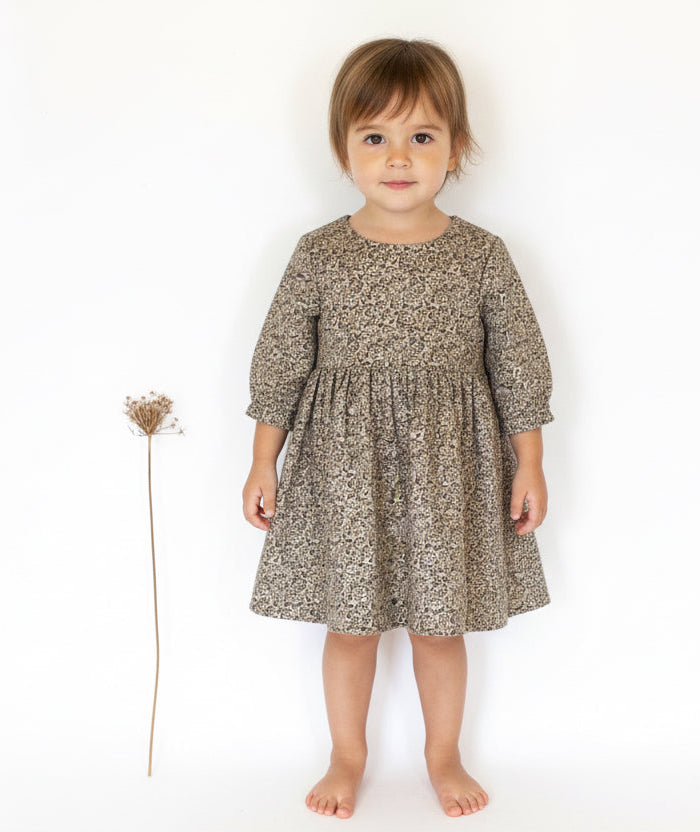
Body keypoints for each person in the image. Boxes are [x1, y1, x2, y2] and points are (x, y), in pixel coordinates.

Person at [242, 37, 555, 820]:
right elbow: (281, 361)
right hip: (344, 475)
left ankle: (443, 754)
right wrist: (261, 461)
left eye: (421, 136)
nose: (398, 157)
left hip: (449, 474)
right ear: (343, 148)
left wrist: (530, 463)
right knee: (351, 628)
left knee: (438, 628)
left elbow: (518, 364)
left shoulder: (481, 256)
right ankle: (346, 755)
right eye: (375, 137)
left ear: (457, 145)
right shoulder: (319, 254)